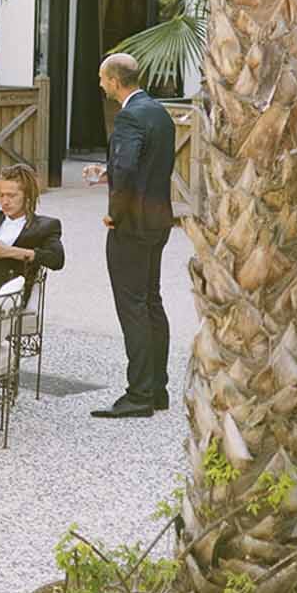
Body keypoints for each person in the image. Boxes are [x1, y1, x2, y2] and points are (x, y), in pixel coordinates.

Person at [92, 52, 175, 420]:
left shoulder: (127, 116)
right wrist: (105, 171)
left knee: (133, 307)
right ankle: (158, 389)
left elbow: (127, 169)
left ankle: (138, 394)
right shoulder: (158, 111)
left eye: (101, 79)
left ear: (114, 81)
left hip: (132, 226)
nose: (99, 85)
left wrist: (114, 213)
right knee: (151, 300)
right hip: (158, 222)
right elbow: (142, 165)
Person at [0, 165, 64, 320]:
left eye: (11, 196)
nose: (4, 201)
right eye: (0, 195)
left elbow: (57, 259)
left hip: (8, 295)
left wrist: (9, 251)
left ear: (27, 196)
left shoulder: (45, 226)